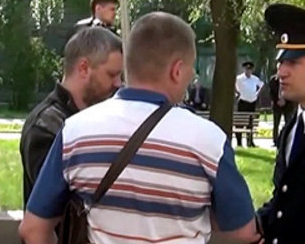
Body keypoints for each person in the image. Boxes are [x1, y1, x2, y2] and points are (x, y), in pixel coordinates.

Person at [19, 12, 260, 244]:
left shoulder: (74, 132)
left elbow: (33, 229)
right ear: (177, 70)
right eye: (191, 68)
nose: (191, 77)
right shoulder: (209, 141)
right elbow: (244, 232)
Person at [20, 27, 123, 206]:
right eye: (112, 74)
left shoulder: (100, 117)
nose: (118, 83)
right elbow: (53, 205)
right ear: (83, 68)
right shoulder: (45, 126)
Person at [258, 3, 305, 243]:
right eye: (281, 61)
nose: (281, 72)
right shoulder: (293, 128)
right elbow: (283, 202)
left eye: (293, 62)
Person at [235, 61, 264, 147]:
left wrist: (257, 93)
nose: (248, 71)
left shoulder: (254, 79)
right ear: (244, 69)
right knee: (240, 123)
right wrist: (237, 93)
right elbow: (233, 85)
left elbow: (262, 85)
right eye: (247, 69)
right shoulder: (239, 78)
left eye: (250, 69)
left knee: (250, 123)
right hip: (243, 102)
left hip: (252, 102)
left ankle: (250, 141)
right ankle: (239, 142)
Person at [269, 64, 296, 146]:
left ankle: (288, 140)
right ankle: (275, 141)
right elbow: (271, 93)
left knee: (288, 123)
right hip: (277, 105)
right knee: (276, 124)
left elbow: (292, 91)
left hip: (288, 105)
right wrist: (278, 100)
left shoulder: (290, 79)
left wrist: (285, 100)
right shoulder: (273, 80)